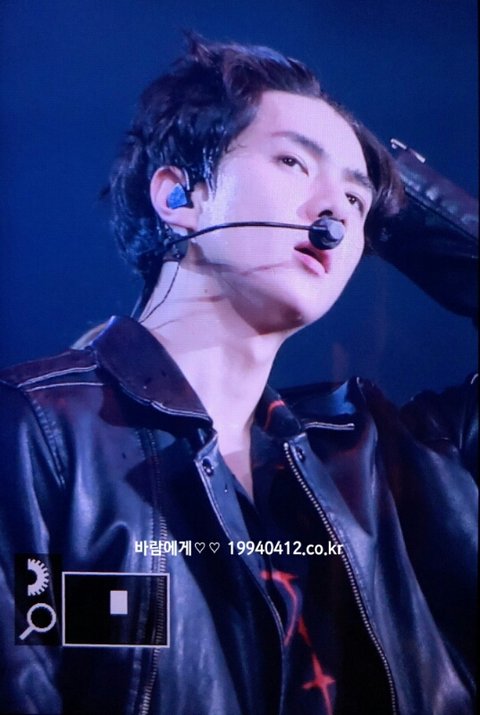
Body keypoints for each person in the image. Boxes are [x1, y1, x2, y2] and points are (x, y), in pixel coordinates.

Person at [0, 36, 477, 715]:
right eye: (293, 162)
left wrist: (400, 195)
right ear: (179, 195)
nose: (337, 210)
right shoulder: (35, 433)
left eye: (356, 201)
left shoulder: (386, 462)